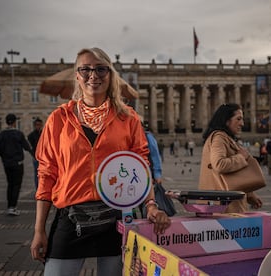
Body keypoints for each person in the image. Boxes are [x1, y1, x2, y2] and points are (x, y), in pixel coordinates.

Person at [30, 47, 170, 276]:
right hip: (71, 216)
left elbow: (140, 164)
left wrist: (151, 205)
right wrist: (39, 230)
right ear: (77, 75)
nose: (93, 76)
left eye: (101, 69)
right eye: (85, 69)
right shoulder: (59, 119)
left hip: (115, 217)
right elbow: (46, 174)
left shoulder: (128, 118)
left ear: (110, 75)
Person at [198, 103, 263, 213]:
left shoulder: (226, 138)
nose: (242, 123)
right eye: (238, 119)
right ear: (226, 120)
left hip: (227, 201)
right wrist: (241, 157)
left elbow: (233, 175)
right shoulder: (219, 137)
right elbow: (219, 164)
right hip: (224, 205)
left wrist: (250, 195)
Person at [0, 113, 33, 216]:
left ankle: (10, 206)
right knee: (16, 185)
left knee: (10, 184)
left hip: (7, 163)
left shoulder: (1, 135)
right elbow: (27, 147)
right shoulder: (18, 134)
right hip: (17, 163)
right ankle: (13, 207)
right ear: (14, 122)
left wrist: (4, 157)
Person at [27, 118, 43, 190]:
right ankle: (38, 189)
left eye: (39, 125)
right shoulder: (31, 135)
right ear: (34, 126)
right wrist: (33, 154)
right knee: (37, 174)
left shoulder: (44, 133)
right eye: (37, 125)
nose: (38, 126)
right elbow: (29, 147)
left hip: (44, 157)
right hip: (36, 157)